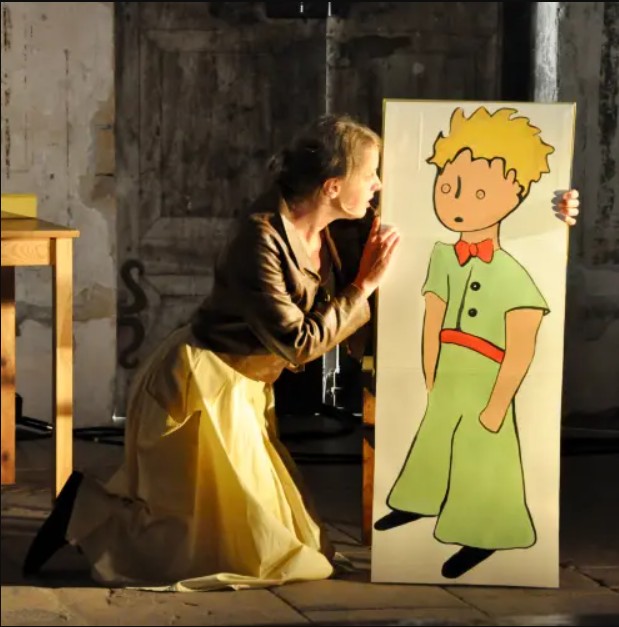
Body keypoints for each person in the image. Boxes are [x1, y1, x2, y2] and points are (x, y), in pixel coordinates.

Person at [22, 114, 401, 591]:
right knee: (193, 545)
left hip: (243, 387)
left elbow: (341, 312)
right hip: (199, 383)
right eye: (370, 174)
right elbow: (297, 343)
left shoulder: (332, 230)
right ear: (331, 186)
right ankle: (81, 509)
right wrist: (364, 286)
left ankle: (90, 509)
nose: (378, 185)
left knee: (263, 542)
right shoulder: (259, 238)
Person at [373, 106, 580, 579]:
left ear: (516, 196)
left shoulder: (516, 274)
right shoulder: (441, 256)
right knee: (433, 435)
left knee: (483, 449)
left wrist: (499, 400)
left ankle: (485, 531)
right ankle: (418, 499)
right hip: (447, 366)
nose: (458, 201)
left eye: (480, 192)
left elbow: (522, 345)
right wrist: (428, 369)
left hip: (489, 375)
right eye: (448, 186)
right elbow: (433, 315)